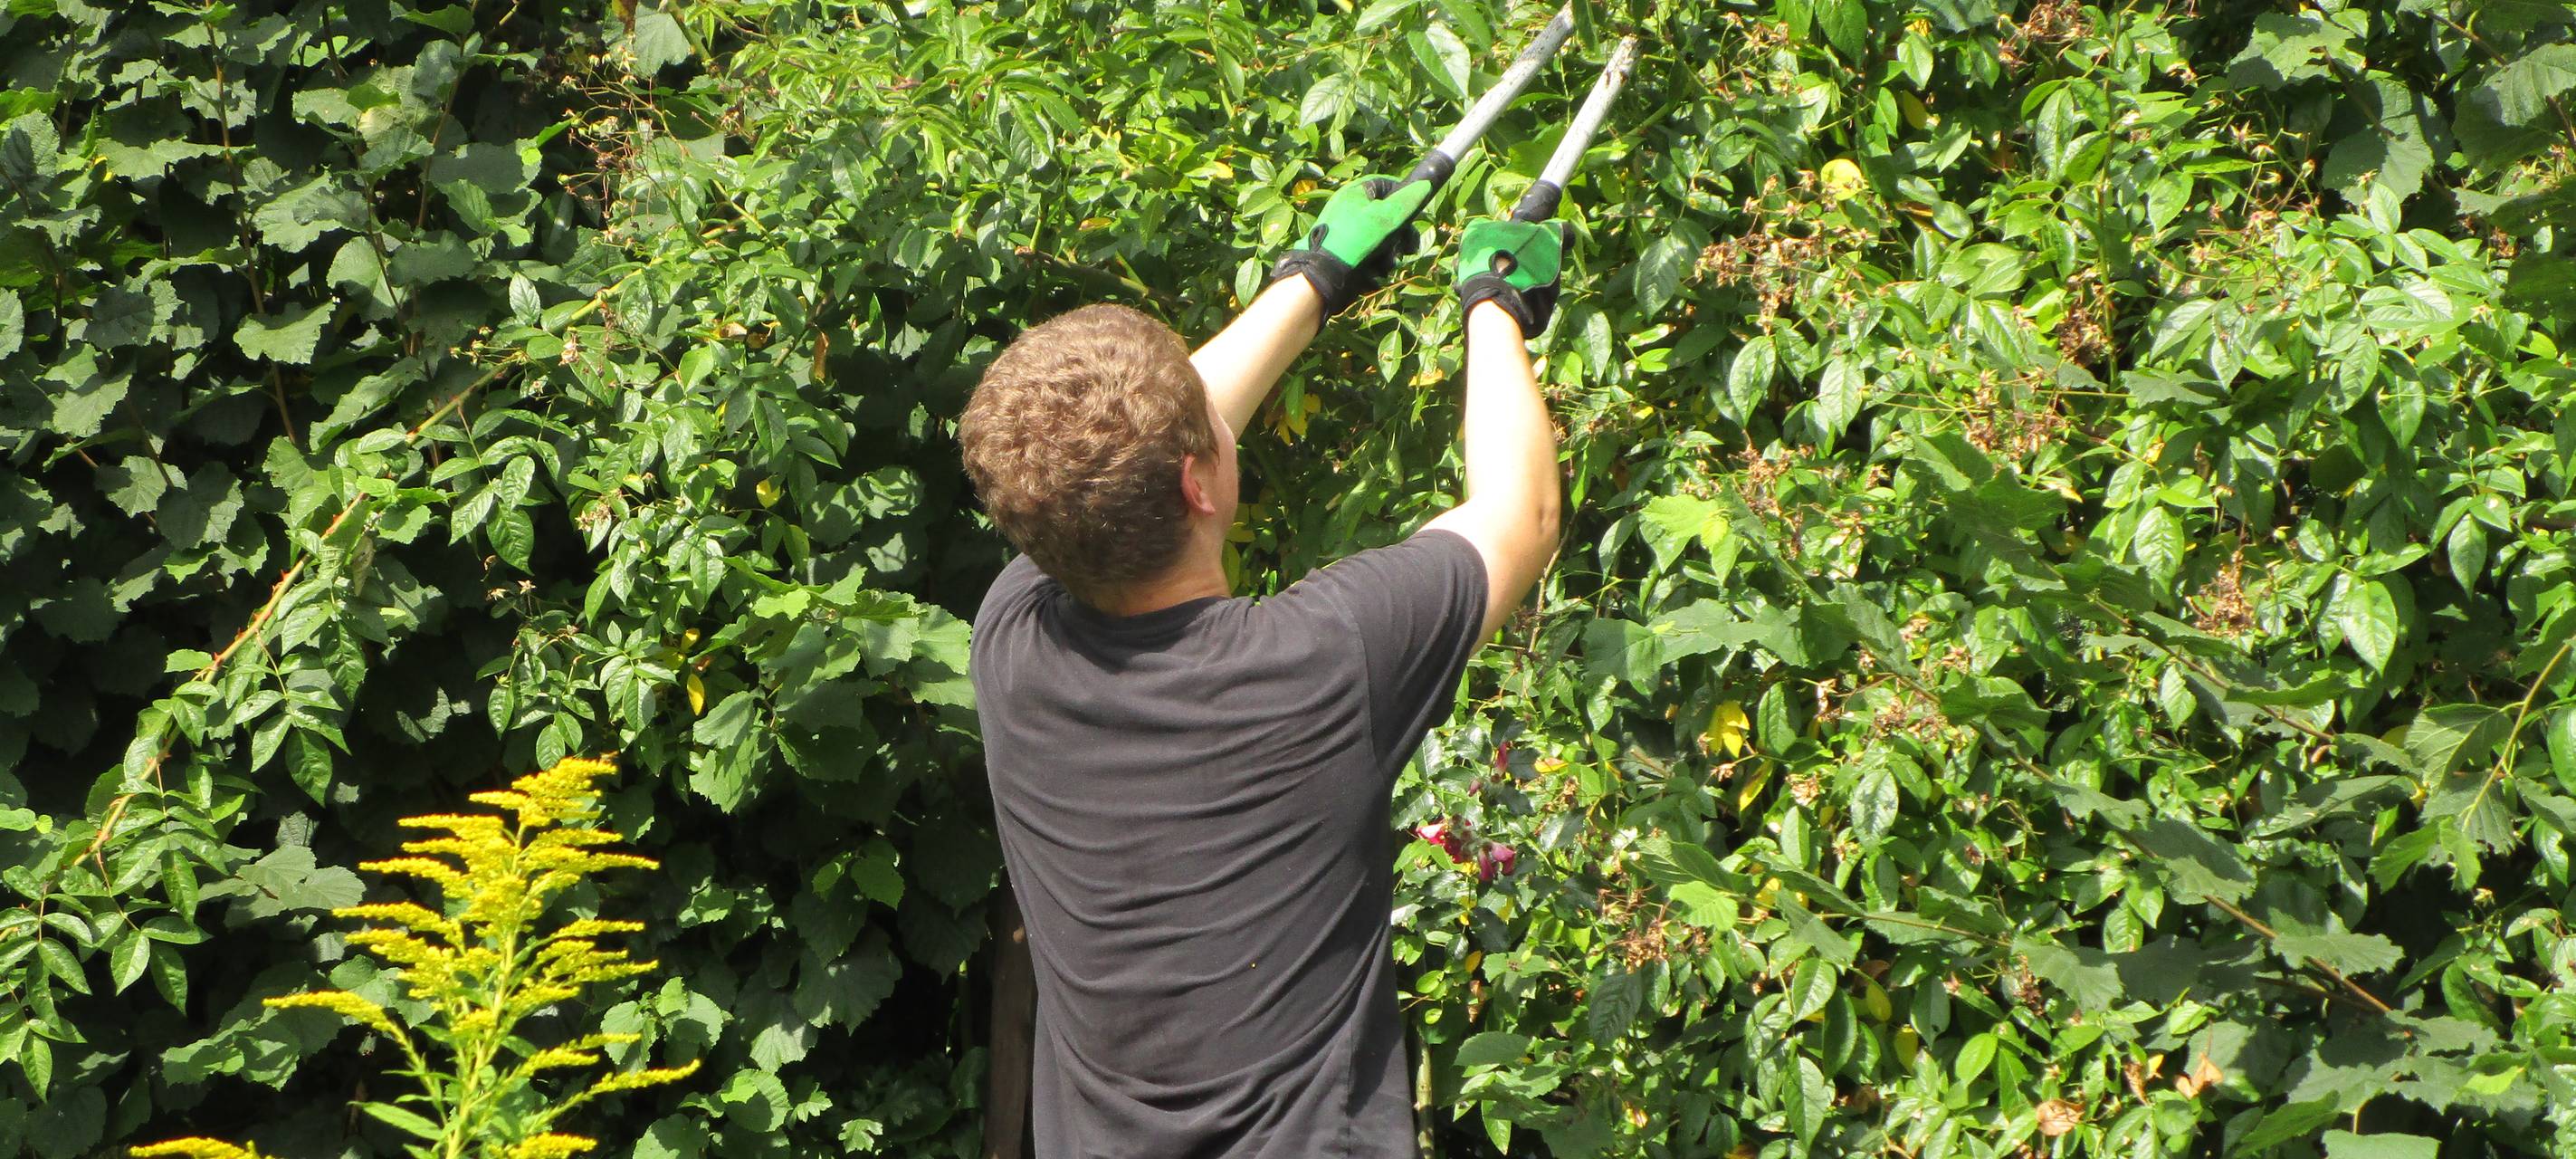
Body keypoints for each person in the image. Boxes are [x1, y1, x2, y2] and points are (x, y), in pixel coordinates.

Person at [959, 172, 1571, 1158]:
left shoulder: (1013, 637)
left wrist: (1313, 276)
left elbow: (1106, 455)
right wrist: (1494, 305)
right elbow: (1522, 515)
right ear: (1198, 481)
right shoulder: (1317, 664)